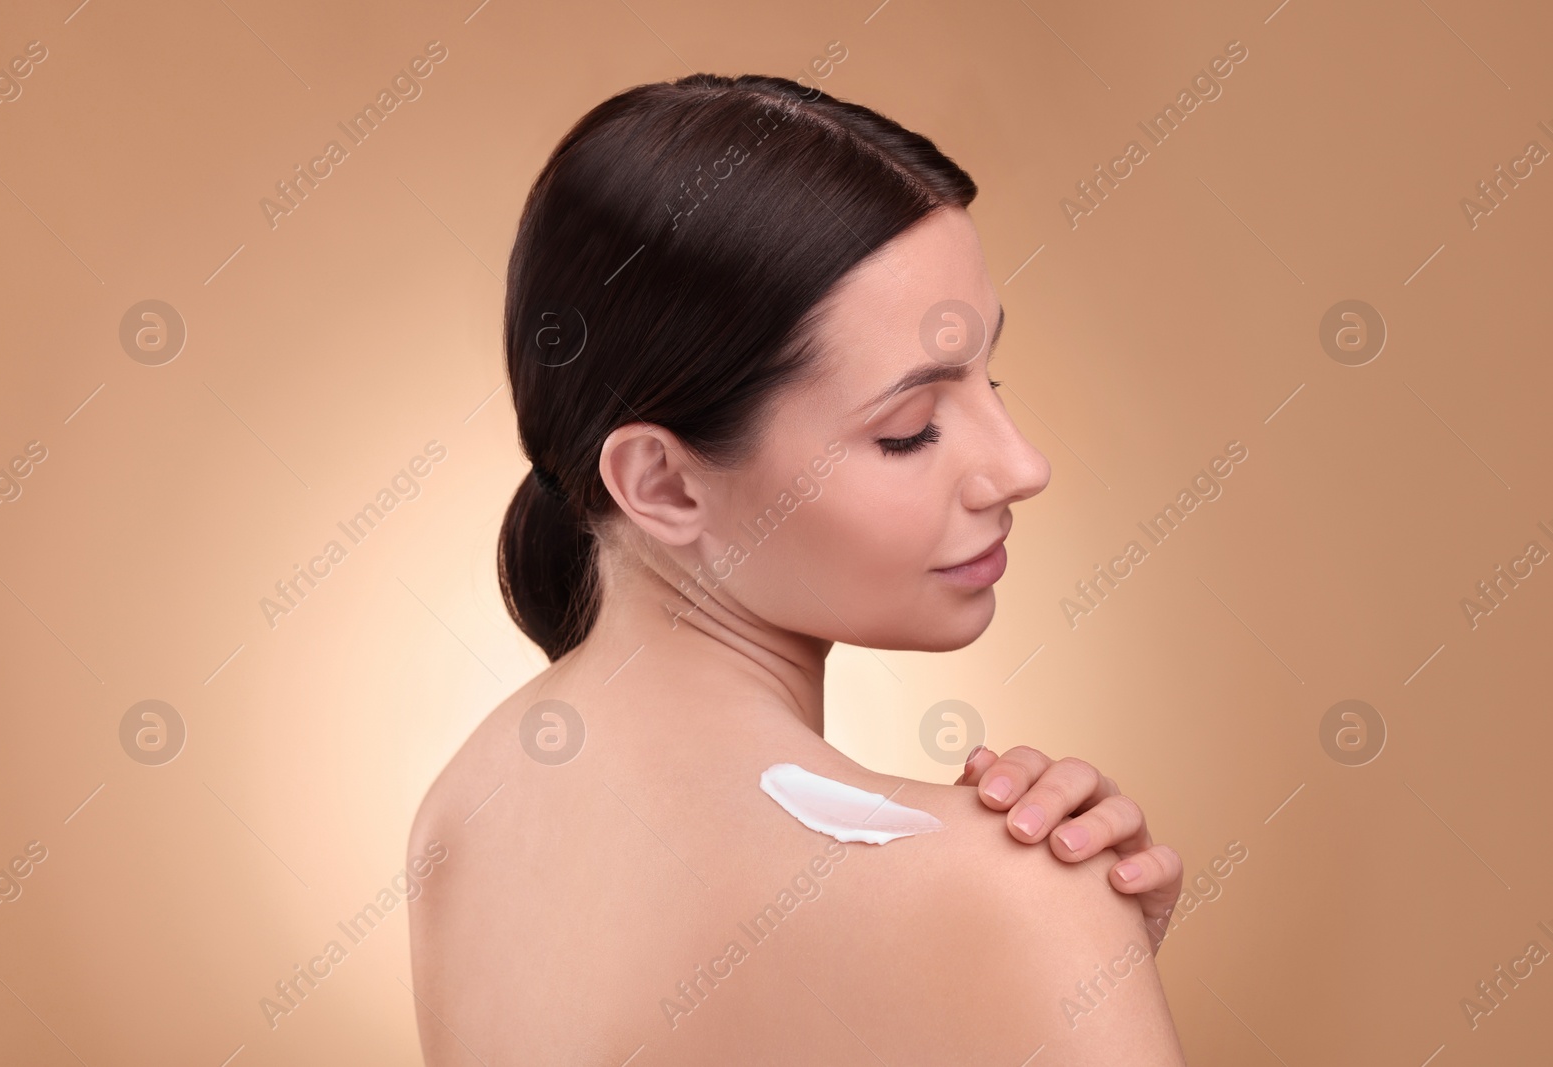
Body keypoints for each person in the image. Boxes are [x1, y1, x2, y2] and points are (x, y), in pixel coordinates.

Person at [408, 72, 1188, 1065]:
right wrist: (1057, 951)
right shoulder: (1003, 891)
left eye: (987, 377)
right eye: (910, 428)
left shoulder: (469, 803)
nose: (1020, 465)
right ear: (663, 481)